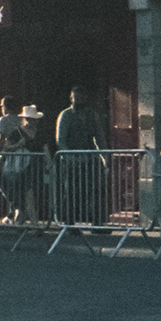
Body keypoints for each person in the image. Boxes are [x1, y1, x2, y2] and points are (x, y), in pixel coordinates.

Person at [55, 85, 105, 225]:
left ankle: (98, 223)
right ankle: (70, 223)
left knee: (96, 191)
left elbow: (99, 136)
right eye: (76, 97)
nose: (79, 99)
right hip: (72, 160)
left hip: (91, 158)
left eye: (81, 97)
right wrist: (70, 157)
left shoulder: (92, 115)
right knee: (72, 193)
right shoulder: (65, 115)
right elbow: (60, 139)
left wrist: (104, 155)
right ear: (71, 98)